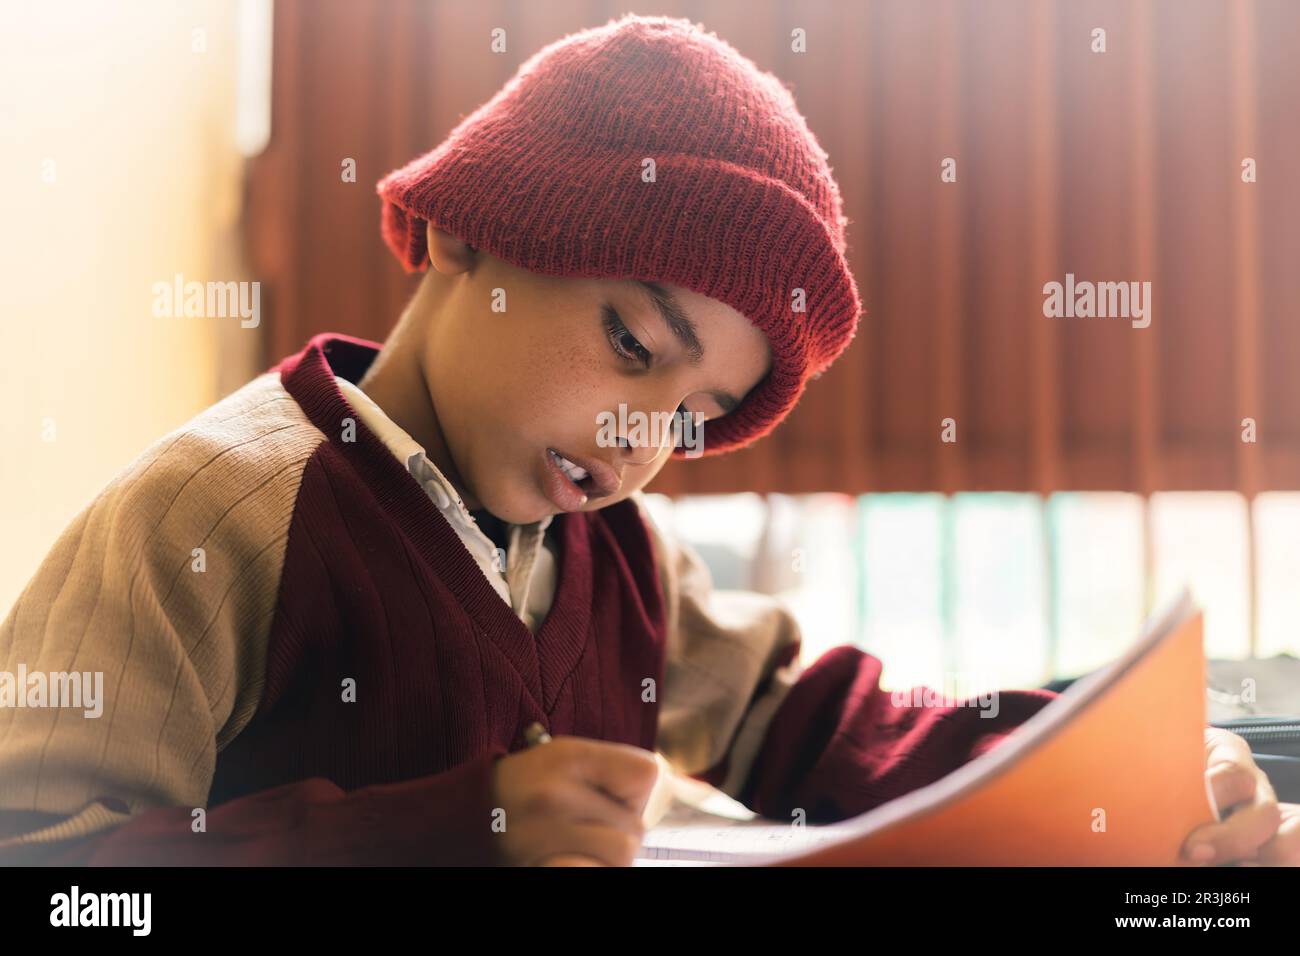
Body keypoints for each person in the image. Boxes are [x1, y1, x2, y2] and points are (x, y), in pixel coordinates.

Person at [1, 14, 1294, 867]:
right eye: (632, 346)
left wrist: (1102, 767)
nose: (640, 439)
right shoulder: (213, 521)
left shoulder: (620, 555)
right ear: (469, 235)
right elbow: (48, 857)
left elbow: (817, 726)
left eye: (692, 415)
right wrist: (461, 834)